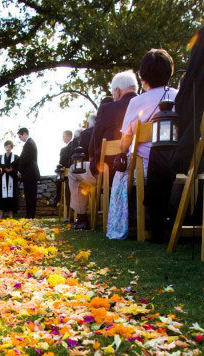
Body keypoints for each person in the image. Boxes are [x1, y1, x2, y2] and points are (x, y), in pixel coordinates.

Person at [106, 48, 177, 240]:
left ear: (143, 76)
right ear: (169, 71)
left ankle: (118, 228)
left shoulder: (137, 102)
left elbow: (125, 143)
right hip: (179, 163)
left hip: (145, 166)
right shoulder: (179, 96)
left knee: (119, 176)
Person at [144, 26, 204, 241]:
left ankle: (158, 225)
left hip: (194, 155)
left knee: (160, 153)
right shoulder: (180, 91)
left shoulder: (192, 88)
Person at [68, 73, 138, 230]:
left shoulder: (107, 108)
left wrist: (94, 164)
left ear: (118, 91)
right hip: (140, 170)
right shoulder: (144, 104)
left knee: (74, 171)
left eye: (114, 93)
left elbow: (95, 141)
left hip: (109, 171)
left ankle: (81, 218)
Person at [67, 114, 96, 229]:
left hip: (99, 174)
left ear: (88, 124)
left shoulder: (87, 133)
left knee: (74, 171)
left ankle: (82, 217)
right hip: (125, 171)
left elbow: (81, 161)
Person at [17, 127, 40, 218]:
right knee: (30, 195)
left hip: (30, 173)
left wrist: (19, 171)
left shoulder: (29, 144)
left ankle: (30, 215)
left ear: (25, 134)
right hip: (30, 173)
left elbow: (25, 159)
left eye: (20, 136)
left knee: (30, 195)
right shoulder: (30, 143)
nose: (20, 139)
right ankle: (30, 215)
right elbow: (22, 158)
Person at [0, 140, 19, 219]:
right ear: (4, 147)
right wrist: (1, 171)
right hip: (2, 179)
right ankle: (1, 213)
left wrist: (12, 170)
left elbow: (18, 169)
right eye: (6, 146)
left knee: (12, 197)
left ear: (12, 147)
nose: (8, 148)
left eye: (9, 146)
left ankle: (11, 213)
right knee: (2, 196)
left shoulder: (16, 157)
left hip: (12, 178)